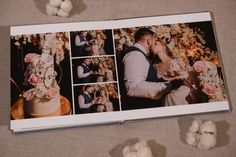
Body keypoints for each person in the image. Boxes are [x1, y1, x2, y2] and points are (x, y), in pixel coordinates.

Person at [121, 28, 174, 110]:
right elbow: (133, 87)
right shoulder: (135, 55)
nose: (155, 43)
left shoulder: (140, 54)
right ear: (149, 41)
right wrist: (168, 86)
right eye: (154, 40)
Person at [153, 39, 199, 105]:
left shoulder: (177, 60)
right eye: (152, 45)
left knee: (174, 95)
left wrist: (178, 76)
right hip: (168, 95)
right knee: (169, 97)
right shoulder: (155, 67)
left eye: (155, 44)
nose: (153, 46)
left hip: (182, 90)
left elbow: (188, 75)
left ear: (163, 46)